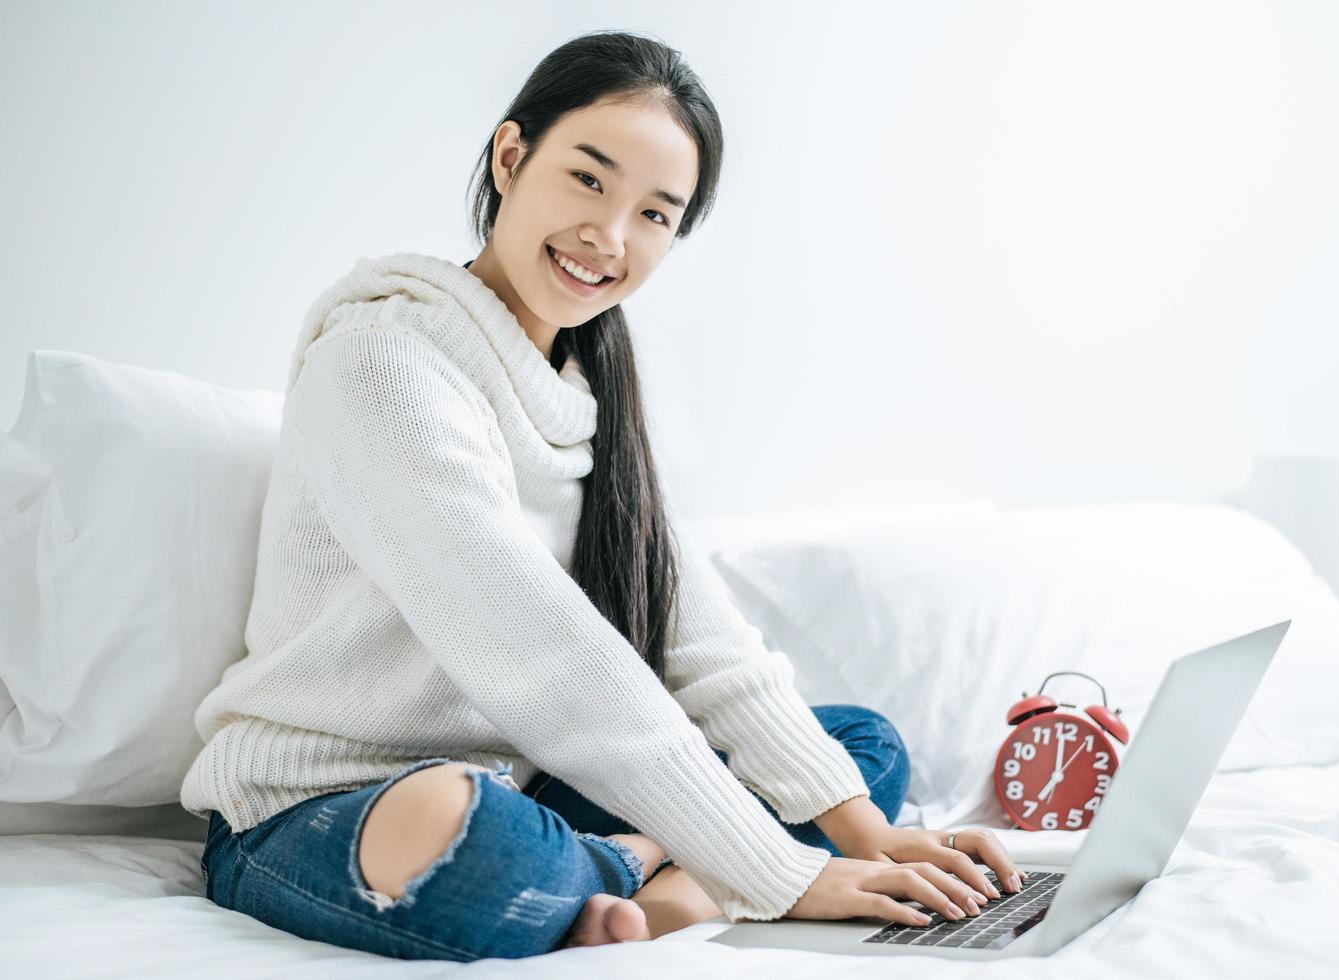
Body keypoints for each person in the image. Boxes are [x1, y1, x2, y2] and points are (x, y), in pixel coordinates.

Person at [184, 29, 1023, 962]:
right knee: (470, 840)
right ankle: (663, 877)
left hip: (537, 784)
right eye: (588, 179)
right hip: (327, 805)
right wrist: (777, 870)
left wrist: (873, 838)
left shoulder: (592, 391)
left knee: (858, 749)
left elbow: (700, 644)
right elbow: (539, 647)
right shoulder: (381, 361)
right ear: (511, 157)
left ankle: (634, 872)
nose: (609, 237)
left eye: (656, 214)